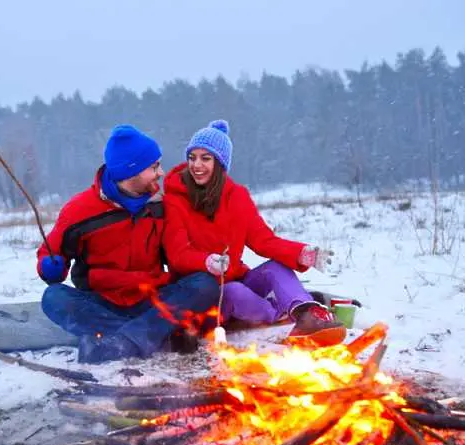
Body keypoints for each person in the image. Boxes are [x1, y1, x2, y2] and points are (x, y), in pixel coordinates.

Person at [37, 124, 219, 363]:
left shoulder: (160, 205)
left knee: (204, 285)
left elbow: (177, 257)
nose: (161, 172)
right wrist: (50, 266)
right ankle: (149, 335)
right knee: (53, 297)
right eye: (154, 167)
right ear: (131, 172)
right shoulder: (79, 211)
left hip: (151, 299)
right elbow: (50, 261)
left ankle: (119, 341)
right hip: (102, 303)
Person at [162, 119, 346, 346]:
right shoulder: (174, 200)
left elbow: (263, 240)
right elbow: (176, 254)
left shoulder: (237, 197)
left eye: (205, 158)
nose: (197, 165)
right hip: (205, 295)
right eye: (192, 157)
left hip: (237, 277)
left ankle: (306, 314)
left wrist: (300, 253)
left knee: (275, 268)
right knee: (234, 292)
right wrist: (206, 261)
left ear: (220, 163)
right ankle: (279, 314)